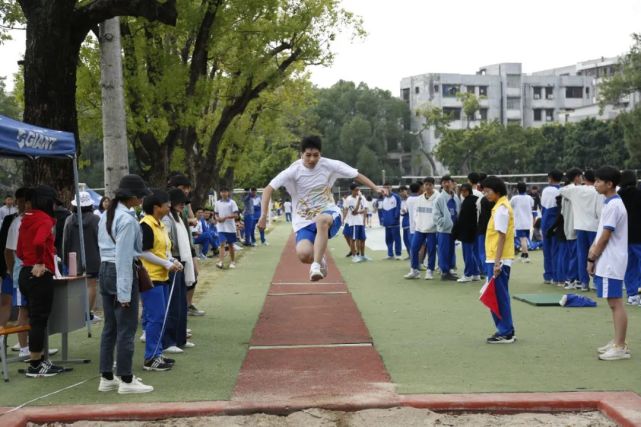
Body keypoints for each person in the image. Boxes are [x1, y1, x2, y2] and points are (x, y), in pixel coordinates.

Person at [257, 135, 383, 281]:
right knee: (304, 255)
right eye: (308, 155)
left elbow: (356, 175)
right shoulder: (293, 171)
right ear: (301, 154)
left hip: (329, 213)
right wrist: (263, 216)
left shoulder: (329, 165)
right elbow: (268, 189)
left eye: (315, 155)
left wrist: (375, 187)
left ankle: (316, 266)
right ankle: (319, 259)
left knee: (321, 219)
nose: (312, 160)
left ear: (320, 154)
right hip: (303, 220)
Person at [98, 174, 154, 393]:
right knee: (126, 328)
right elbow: (124, 257)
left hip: (105, 269)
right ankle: (126, 379)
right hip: (120, 271)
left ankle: (107, 376)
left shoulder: (106, 215)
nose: (141, 200)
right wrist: (124, 295)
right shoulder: (128, 220)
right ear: (131, 197)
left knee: (110, 327)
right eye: (140, 196)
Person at [17, 185, 68, 376]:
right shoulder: (45, 220)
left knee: (35, 318)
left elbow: (20, 251)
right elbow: (39, 242)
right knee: (39, 320)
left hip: (25, 272)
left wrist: (30, 262)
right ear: (47, 201)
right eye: (54, 202)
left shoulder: (26, 218)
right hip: (39, 274)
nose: (55, 206)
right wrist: (39, 262)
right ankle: (36, 364)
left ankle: (39, 361)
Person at [139, 190, 183, 371]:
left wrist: (172, 260)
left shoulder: (161, 225)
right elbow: (143, 251)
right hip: (151, 278)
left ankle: (156, 353)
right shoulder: (146, 224)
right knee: (155, 317)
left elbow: (163, 250)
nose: (169, 206)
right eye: (166, 204)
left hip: (162, 276)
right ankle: (150, 357)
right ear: (156, 207)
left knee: (161, 316)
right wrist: (166, 263)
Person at [589, 166, 629, 360]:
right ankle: (617, 341)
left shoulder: (614, 205)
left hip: (611, 259)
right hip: (608, 258)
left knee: (615, 303)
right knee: (613, 302)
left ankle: (620, 346)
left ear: (609, 184)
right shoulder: (609, 203)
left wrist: (592, 257)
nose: (595, 184)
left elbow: (606, 235)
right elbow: (600, 234)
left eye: (598, 181)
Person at [482, 176, 516, 344]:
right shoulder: (498, 207)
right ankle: (505, 329)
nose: (485, 194)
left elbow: (502, 236)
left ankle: (506, 331)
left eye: (488, 191)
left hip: (499, 259)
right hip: (495, 257)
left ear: (497, 191)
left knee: (499, 296)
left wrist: (497, 263)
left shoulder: (502, 208)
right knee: (497, 295)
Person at [162, 189, 196, 353]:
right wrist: (172, 261)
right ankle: (169, 341)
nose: (183, 204)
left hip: (182, 261)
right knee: (173, 304)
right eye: (180, 202)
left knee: (181, 304)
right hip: (173, 262)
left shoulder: (179, 217)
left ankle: (180, 338)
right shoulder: (167, 219)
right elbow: (167, 243)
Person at [62, 191, 101, 322]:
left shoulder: (69, 219)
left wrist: (65, 259)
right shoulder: (96, 219)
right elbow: (100, 239)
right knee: (91, 285)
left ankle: (78, 313)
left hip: (74, 258)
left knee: (78, 286)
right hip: (94, 256)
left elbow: (65, 242)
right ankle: (87, 314)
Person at [560, 169, 601, 291]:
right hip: (594, 226)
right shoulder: (598, 191)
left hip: (580, 226)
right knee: (596, 254)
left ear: (584, 178)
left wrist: (575, 183)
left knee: (581, 254)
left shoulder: (575, 189)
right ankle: (596, 282)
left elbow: (561, 190)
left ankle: (584, 283)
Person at [405, 178, 438, 280]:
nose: (427, 187)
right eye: (426, 185)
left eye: (429, 185)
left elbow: (438, 214)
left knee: (431, 250)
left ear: (433, 185)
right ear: (423, 186)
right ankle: (414, 270)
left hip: (432, 230)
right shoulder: (419, 199)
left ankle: (430, 271)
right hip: (419, 229)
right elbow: (416, 213)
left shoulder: (438, 198)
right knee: (414, 249)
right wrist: (417, 223)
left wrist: (433, 225)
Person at [618, 171, 641, 306]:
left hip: (623, 236)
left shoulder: (618, 196)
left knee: (629, 266)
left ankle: (632, 295)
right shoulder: (639, 194)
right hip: (639, 235)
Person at [433, 175, 460, 281]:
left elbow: (458, 212)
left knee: (451, 250)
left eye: (448, 182)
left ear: (452, 183)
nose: (446, 184)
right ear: (442, 185)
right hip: (444, 230)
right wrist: (443, 224)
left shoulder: (456, 197)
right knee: (443, 250)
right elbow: (435, 215)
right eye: (444, 182)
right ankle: (444, 272)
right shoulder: (439, 198)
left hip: (453, 229)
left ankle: (449, 270)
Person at [454, 183, 480, 282]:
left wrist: (457, 231)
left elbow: (462, 219)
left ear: (469, 191)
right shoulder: (475, 199)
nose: (463, 193)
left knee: (467, 253)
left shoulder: (467, 202)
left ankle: (468, 274)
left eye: (465, 191)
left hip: (467, 232)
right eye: (462, 191)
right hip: (474, 230)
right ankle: (476, 273)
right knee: (471, 253)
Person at [541, 170, 562, 284]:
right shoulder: (561, 191)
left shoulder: (546, 190)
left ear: (550, 178)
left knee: (547, 251)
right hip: (556, 222)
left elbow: (542, 206)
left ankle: (548, 276)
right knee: (556, 250)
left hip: (545, 220)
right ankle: (556, 276)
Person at [215, 187, 240, 269]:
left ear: (228, 193)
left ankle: (232, 261)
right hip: (221, 227)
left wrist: (225, 217)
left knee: (230, 245)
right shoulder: (217, 203)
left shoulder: (232, 203)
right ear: (220, 193)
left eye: (225, 192)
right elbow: (216, 213)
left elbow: (236, 215)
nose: (223, 193)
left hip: (230, 227)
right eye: (222, 192)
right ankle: (221, 262)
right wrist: (218, 218)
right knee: (222, 244)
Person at [510, 182, 534, 263]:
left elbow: (510, 206)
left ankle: (526, 256)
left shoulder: (514, 198)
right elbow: (532, 205)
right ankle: (523, 255)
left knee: (522, 239)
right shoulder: (529, 198)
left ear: (517, 189)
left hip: (519, 222)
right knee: (524, 239)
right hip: (528, 222)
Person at [344, 183, 368, 263]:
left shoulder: (361, 197)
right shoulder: (349, 199)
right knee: (353, 239)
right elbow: (354, 212)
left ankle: (363, 256)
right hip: (353, 222)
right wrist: (359, 200)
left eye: (358, 189)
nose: (358, 191)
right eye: (356, 190)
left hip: (360, 222)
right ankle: (354, 256)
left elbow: (364, 209)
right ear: (352, 190)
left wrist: (362, 215)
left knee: (363, 239)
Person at [381, 183, 402, 260]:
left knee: (396, 238)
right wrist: (383, 220)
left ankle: (398, 254)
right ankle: (390, 254)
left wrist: (396, 218)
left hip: (394, 223)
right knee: (388, 239)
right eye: (384, 187)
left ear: (391, 188)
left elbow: (398, 208)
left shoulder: (396, 197)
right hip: (387, 223)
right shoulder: (383, 198)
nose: (386, 189)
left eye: (388, 187)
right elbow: (382, 210)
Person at [399, 185, 411, 258]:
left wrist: (406, 211)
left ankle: (414, 255)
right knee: (405, 240)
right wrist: (402, 211)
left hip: (410, 223)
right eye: (400, 192)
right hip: (404, 223)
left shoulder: (411, 199)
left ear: (407, 191)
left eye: (403, 191)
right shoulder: (401, 201)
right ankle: (409, 255)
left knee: (410, 240)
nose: (402, 193)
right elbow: (402, 212)